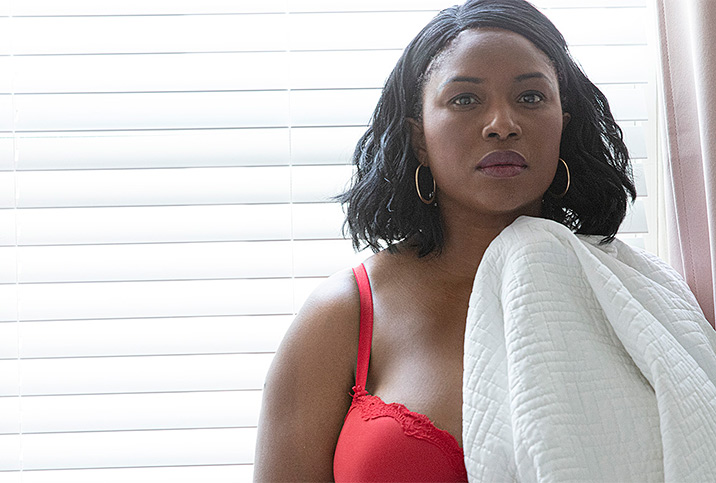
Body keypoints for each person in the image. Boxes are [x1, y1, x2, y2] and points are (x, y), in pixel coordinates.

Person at [253, 0, 636, 480]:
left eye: (532, 97)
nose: (502, 123)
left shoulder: (629, 297)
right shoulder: (343, 315)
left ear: (564, 121)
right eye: (465, 99)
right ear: (419, 139)